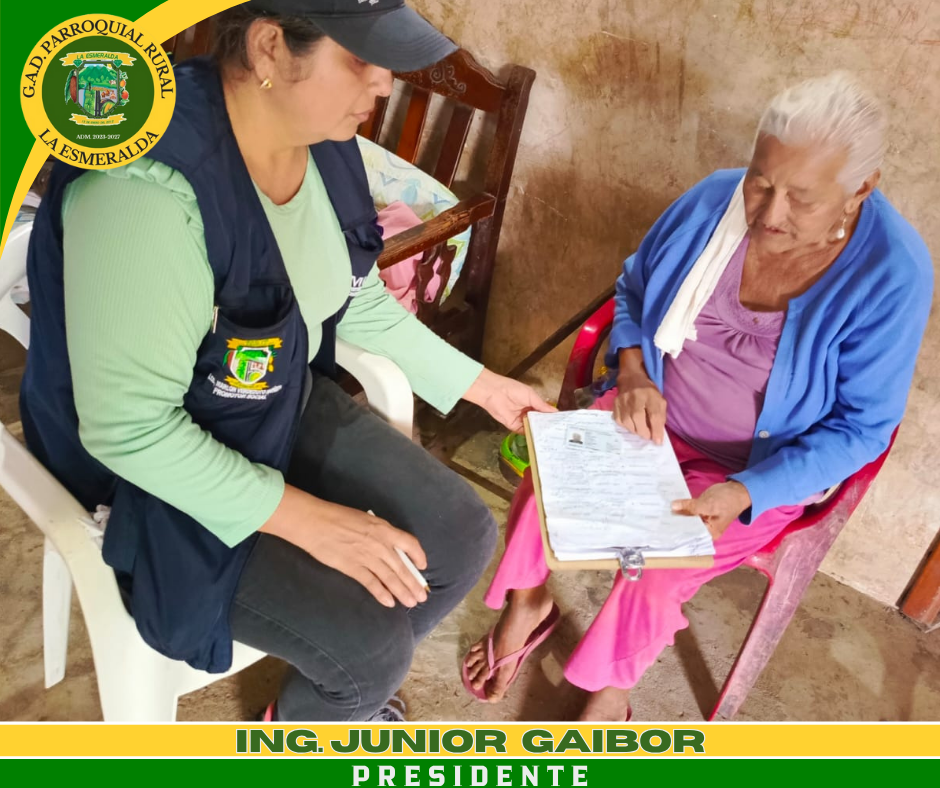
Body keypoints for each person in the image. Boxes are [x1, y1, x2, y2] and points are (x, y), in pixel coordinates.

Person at [21, 0, 552, 722]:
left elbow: (351, 294)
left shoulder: (324, 138)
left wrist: (485, 387)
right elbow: (132, 430)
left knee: (461, 537)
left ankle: (337, 697)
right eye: (359, 58)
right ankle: (327, 707)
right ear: (270, 47)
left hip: (263, 398)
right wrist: (312, 521)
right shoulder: (144, 191)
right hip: (153, 476)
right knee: (370, 649)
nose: (384, 84)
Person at [462, 72, 933, 721]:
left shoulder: (892, 272)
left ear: (861, 190)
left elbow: (863, 428)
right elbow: (632, 289)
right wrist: (633, 372)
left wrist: (744, 492)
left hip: (760, 470)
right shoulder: (715, 198)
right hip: (649, 416)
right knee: (549, 478)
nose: (768, 214)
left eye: (801, 198)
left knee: (657, 568)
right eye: (762, 181)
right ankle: (529, 603)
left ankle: (611, 691)